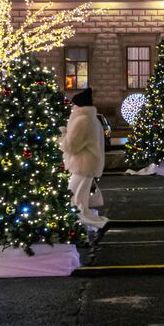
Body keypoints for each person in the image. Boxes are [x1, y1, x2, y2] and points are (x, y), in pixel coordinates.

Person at [61, 88, 108, 231]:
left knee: (74, 198)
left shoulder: (82, 120)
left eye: (73, 105)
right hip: (89, 164)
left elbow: (71, 146)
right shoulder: (92, 119)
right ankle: (84, 221)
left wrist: (62, 135)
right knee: (80, 198)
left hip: (82, 165)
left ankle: (82, 223)